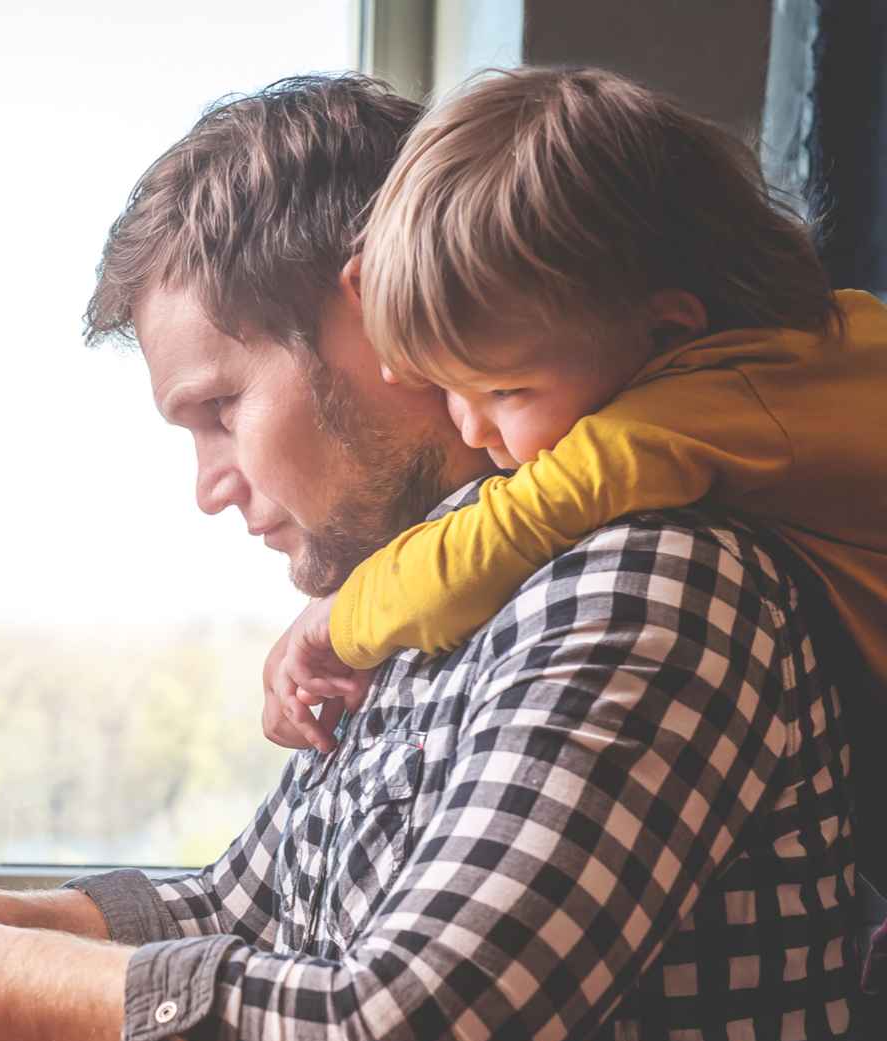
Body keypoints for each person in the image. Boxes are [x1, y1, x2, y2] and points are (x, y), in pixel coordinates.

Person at [0, 74, 880, 1041]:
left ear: (374, 317)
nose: (209, 484)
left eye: (220, 409)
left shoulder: (643, 579)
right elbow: (235, 905)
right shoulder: (431, 598)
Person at [262, 68, 887, 766]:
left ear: (668, 330)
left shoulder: (687, 417)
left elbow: (502, 535)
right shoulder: (823, 346)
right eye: (445, 387)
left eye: (506, 392)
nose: (472, 429)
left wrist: (336, 621)